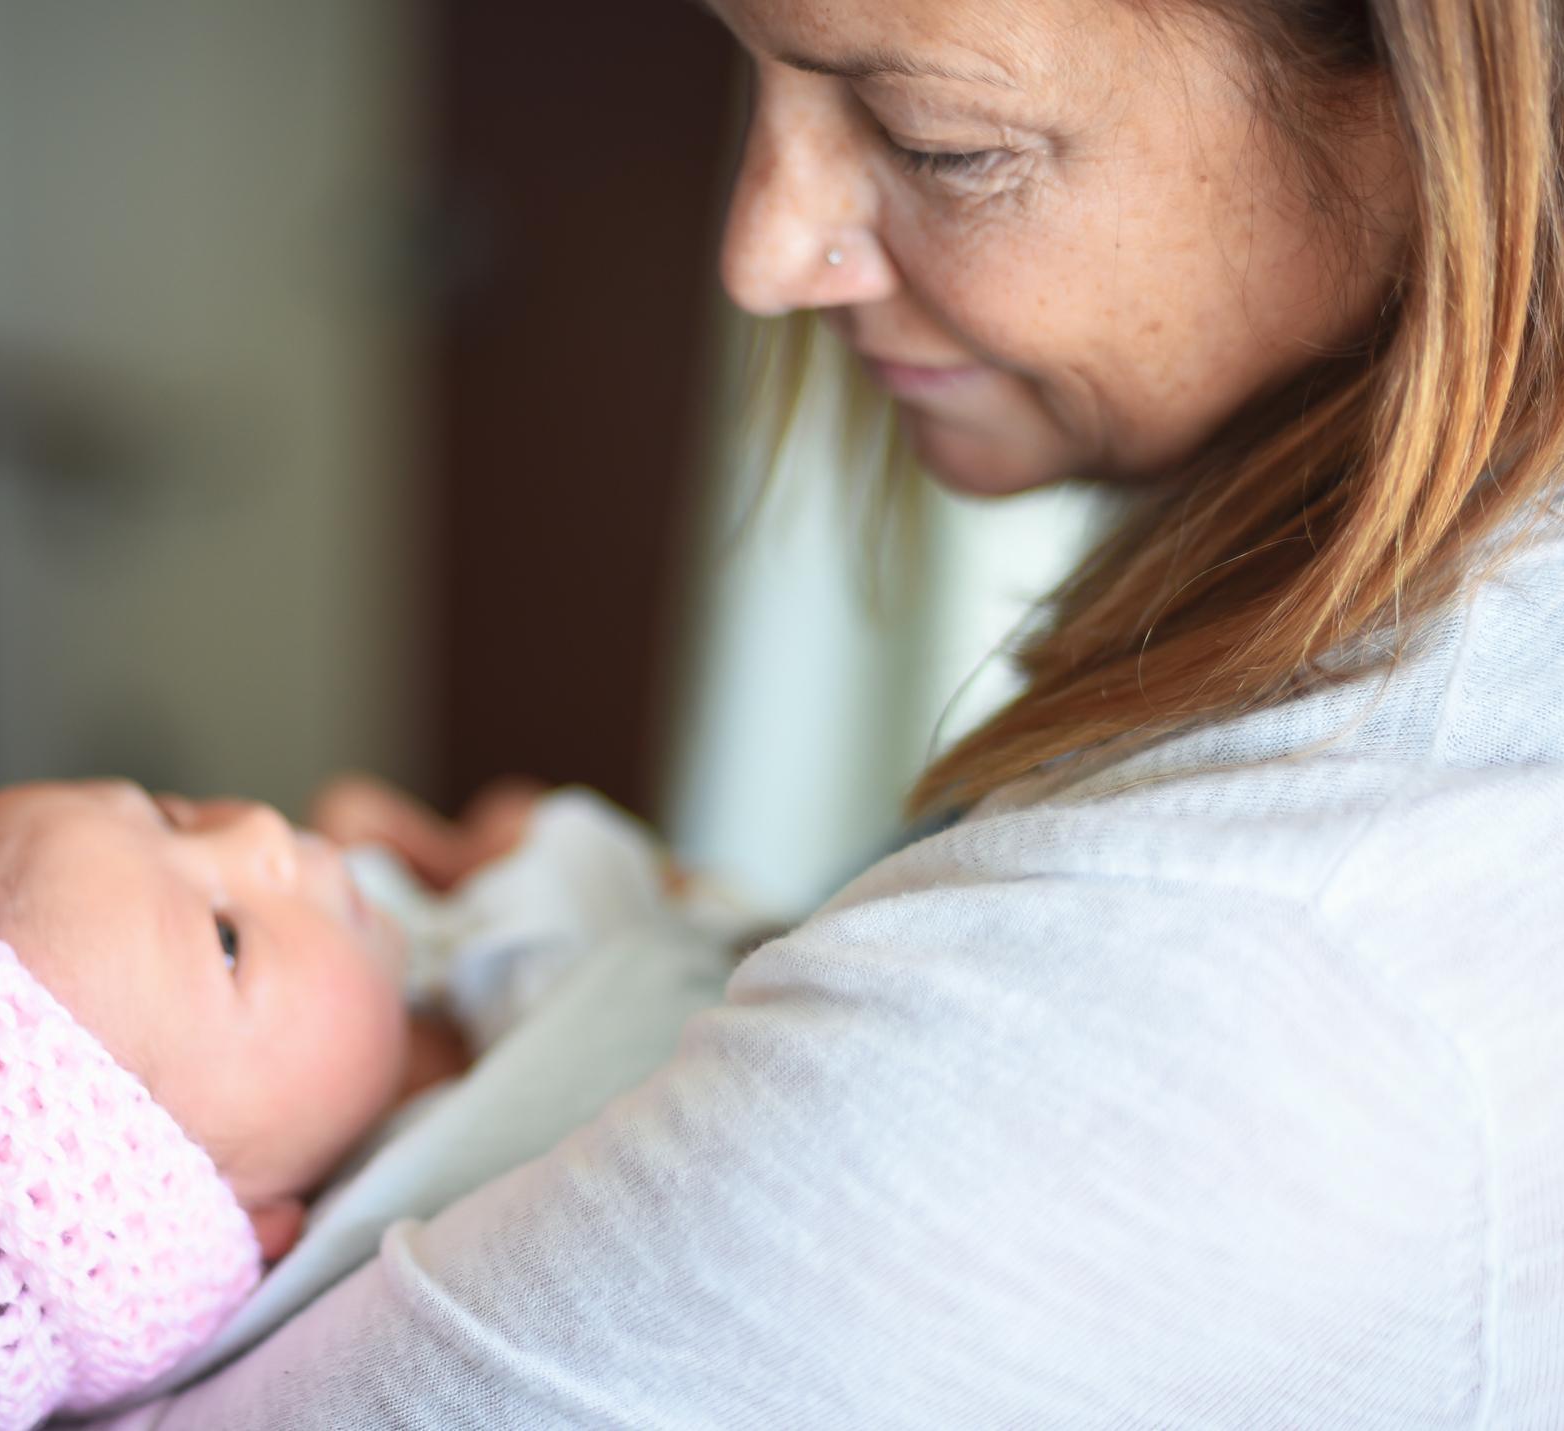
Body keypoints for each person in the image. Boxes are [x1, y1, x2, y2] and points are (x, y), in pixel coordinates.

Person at [83, 0, 1564, 1424]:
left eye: (938, 142)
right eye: (751, 68)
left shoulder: (1219, 968)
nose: (759, 254)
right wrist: (675, 976)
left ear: (1441, 105)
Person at [0, 778, 758, 1430]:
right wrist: (543, 854)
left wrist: (437, 855)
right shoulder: (464, 1192)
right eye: (225, 936)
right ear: (240, 1228)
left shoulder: (352, 987)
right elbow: (668, 980)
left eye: (169, 813)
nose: (256, 829)